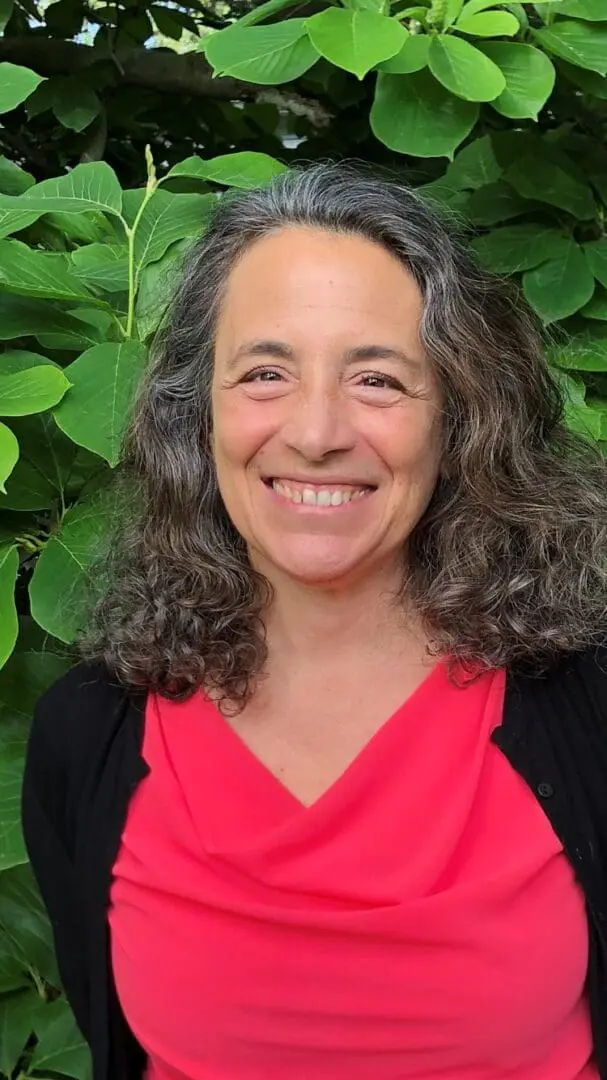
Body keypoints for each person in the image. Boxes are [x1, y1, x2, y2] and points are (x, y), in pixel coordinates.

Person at [21, 160, 607, 1080]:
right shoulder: (87, 736)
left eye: (376, 380)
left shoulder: (588, 708)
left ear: (459, 419)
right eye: (264, 373)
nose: (315, 430)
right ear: (194, 415)